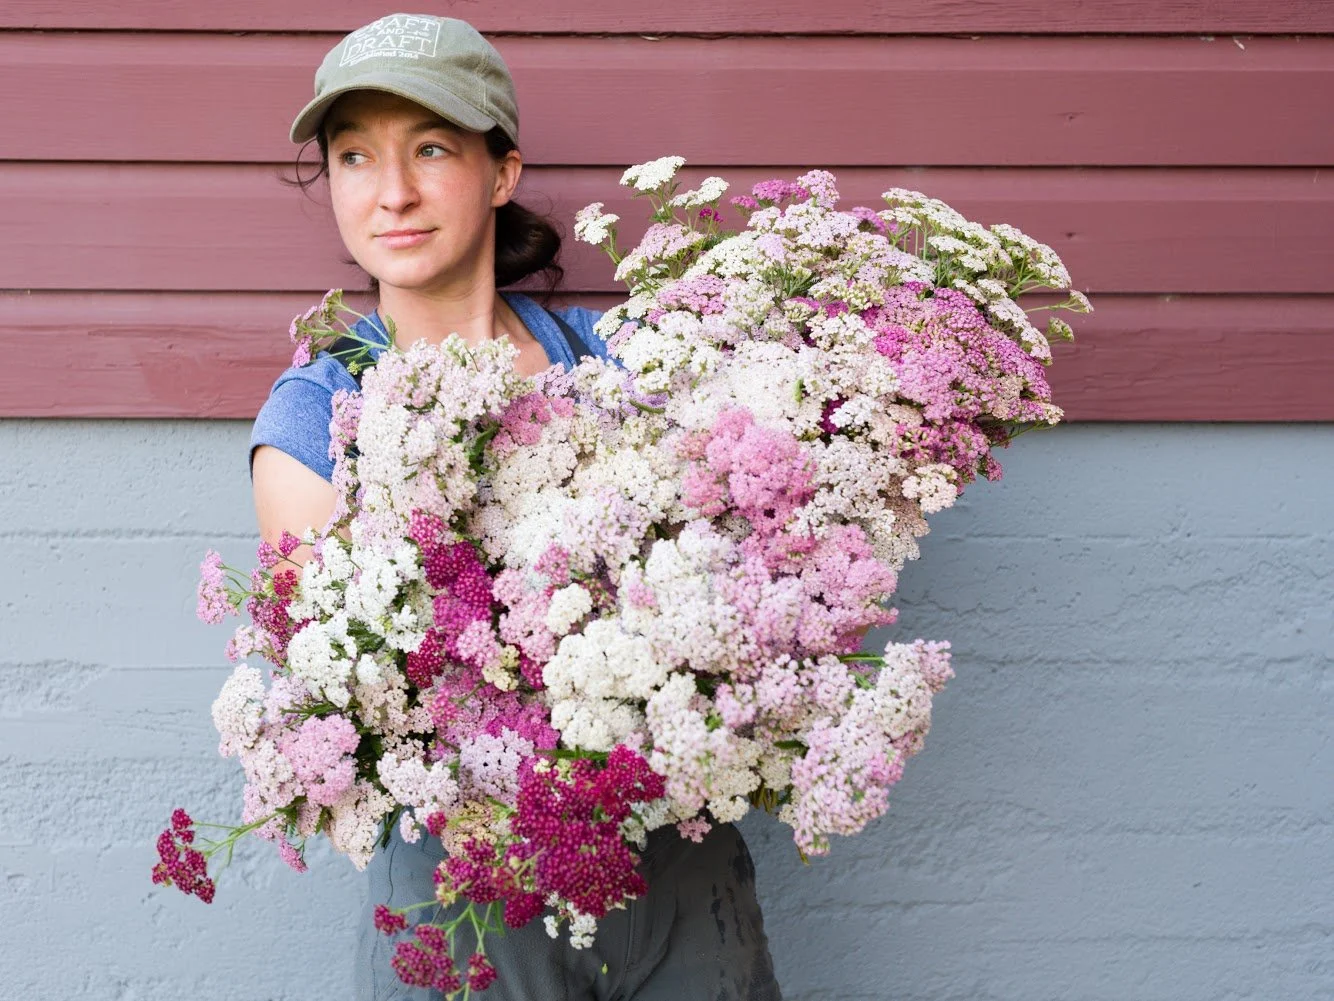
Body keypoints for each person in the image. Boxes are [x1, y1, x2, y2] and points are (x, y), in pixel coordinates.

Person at [247, 13, 784, 1001]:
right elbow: (364, 692)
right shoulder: (313, 418)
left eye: (432, 149)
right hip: (466, 904)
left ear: (501, 173)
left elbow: (747, 574)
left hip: (677, 875)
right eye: (355, 156)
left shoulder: (619, 360)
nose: (392, 192)